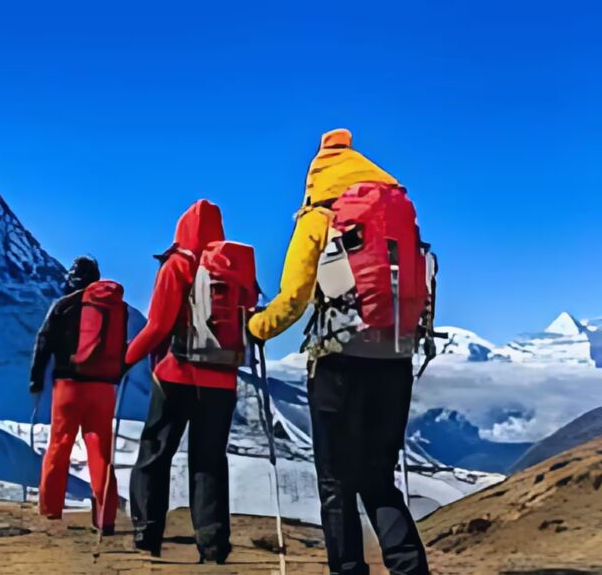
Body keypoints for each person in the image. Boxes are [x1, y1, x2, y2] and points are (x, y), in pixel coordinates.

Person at [248, 129, 431, 575]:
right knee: (378, 478)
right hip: (395, 360)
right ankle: (410, 568)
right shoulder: (401, 219)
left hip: (338, 363)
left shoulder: (320, 218)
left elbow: (294, 297)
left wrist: (257, 327)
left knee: (336, 483)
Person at [124, 200, 251, 564]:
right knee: (209, 461)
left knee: (155, 454)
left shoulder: (176, 265)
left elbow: (158, 326)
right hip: (222, 381)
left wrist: (125, 359)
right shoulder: (235, 267)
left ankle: (147, 534)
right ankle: (213, 544)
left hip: (175, 375)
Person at [29, 256, 123, 535]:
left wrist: (36, 379)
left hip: (68, 387)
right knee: (100, 451)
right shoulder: (115, 308)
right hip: (103, 389)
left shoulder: (63, 305)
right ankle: (105, 518)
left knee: (60, 445)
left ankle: (50, 512)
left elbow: (43, 342)